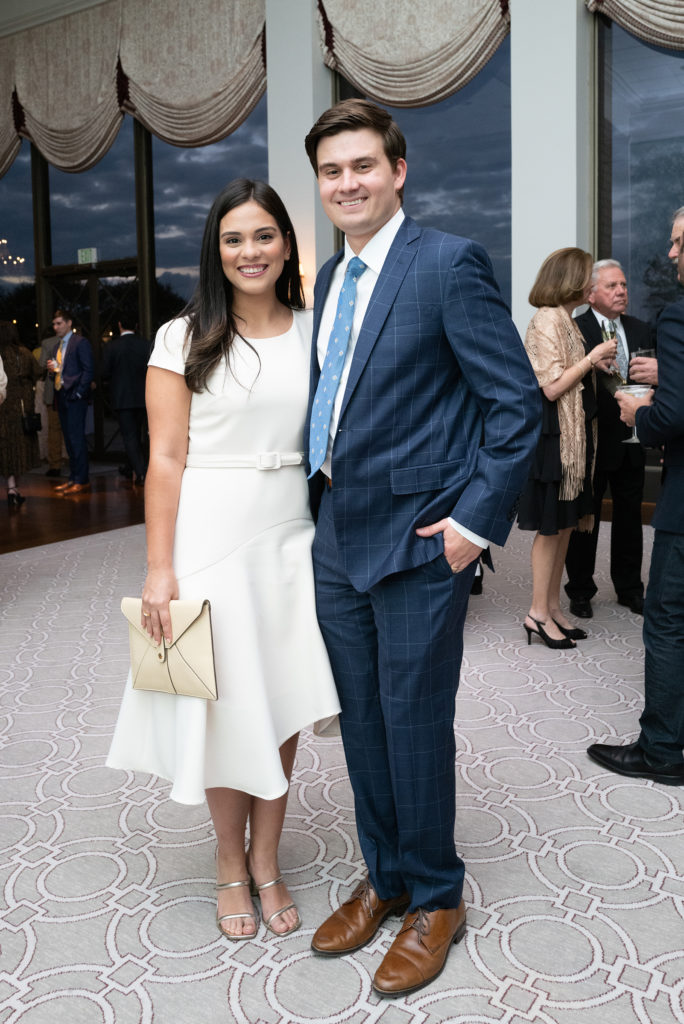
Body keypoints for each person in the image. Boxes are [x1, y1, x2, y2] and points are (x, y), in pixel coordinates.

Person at [303, 99, 541, 997]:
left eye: (363, 165)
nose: (348, 182)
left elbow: (513, 404)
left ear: (397, 171)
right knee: (360, 727)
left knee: (412, 726)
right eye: (332, 171)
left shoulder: (447, 264)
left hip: (416, 545)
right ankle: (388, 877)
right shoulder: (329, 282)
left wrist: (475, 526)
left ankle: (437, 896)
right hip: (338, 540)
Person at [107, 179, 340, 940]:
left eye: (264, 235)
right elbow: (165, 459)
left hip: (289, 533)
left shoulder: (315, 331)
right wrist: (158, 567)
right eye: (234, 238)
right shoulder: (182, 337)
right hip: (209, 533)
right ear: (216, 247)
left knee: (280, 701)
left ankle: (267, 859)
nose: (250, 251)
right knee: (218, 704)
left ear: (285, 243)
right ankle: (227, 864)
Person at [587, 233, 684, 786]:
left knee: (667, 622)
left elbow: (670, 416)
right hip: (595, 449)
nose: (670, 255)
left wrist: (640, 414)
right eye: (614, 283)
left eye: (678, 243)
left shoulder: (672, 319)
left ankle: (663, 750)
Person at [517, 249, 617, 649]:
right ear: (568, 280)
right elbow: (552, 386)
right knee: (550, 528)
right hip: (553, 440)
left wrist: (595, 365)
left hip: (573, 439)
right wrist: (591, 359)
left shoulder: (567, 320)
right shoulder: (545, 319)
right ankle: (536, 614)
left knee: (565, 528)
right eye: (586, 277)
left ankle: (553, 607)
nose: (592, 285)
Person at [564, 260, 654, 618]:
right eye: (612, 286)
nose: (621, 291)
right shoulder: (576, 329)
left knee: (631, 517)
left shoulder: (642, 329)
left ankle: (630, 588)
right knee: (586, 517)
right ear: (591, 294)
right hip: (593, 437)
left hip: (632, 438)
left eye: (624, 285)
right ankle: (581, 590)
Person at [46, 309, 94, 494]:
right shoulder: (57, 346)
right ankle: (74, 478)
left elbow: (88, 370)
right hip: (62, 396)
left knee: (76, 439)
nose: (55, 327)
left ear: (69, 323)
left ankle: (82, 479)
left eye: (59, 323)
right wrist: (53, 372)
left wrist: (80, 393)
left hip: (74, 397)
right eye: (54, 324)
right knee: (69, 439)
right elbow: (60, 372)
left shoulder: (80, 343)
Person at [101, 316, 152, 486]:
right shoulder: (145, 344)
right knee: (138, 434)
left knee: (130, 436)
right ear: (136, 325)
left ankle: (141, 472)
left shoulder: (112, 346)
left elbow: (104, 372)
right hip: (144, 397)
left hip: (122, 398)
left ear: (119, 324)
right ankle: (131, 467)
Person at [0, 320, 42, 508]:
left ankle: (10, 487)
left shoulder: (1, 354)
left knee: (7, 446)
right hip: (24, 405)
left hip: (5, 405)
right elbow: (38, 372)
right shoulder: (25, 353)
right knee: (20, 446)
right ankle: (15, 488)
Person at [38, 330, 65, 477]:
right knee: (72, 429)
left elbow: (42, 364)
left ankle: (55, 464)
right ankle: (75, 462)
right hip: (71, 391)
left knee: (54, 429)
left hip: (53, 392)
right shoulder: (78, 341)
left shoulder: (47, 343)